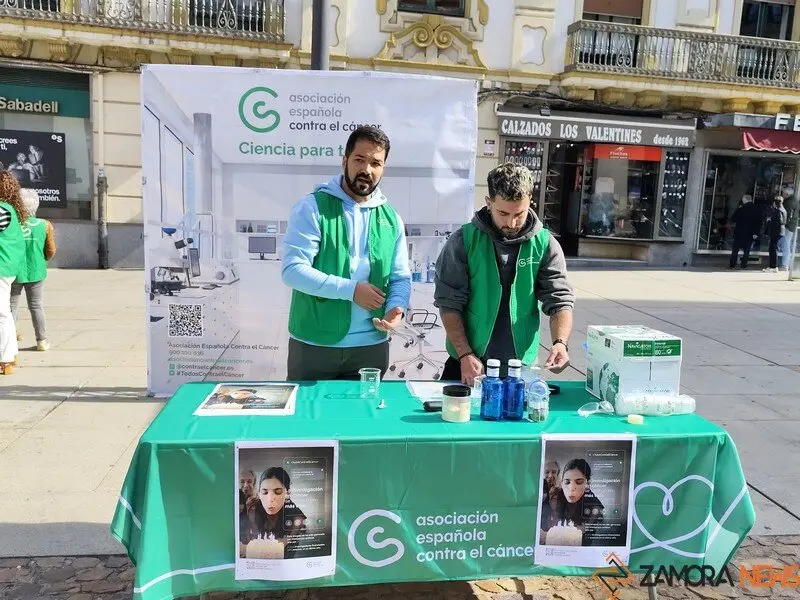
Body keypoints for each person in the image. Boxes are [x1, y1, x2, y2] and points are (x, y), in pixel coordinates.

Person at [281, 126, 411, 381]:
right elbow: (293, 271)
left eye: (376, 163)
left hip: (371, 347)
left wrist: (397, 306)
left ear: (383, 168)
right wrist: (352, 290)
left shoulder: (391, 219)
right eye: (359, 160)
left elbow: (400, 277)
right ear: (345, 161)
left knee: (365, 409)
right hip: (314, 345)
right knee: (306, 409)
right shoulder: (312, 207)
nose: (367, 170)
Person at [434, 162, 575, 383]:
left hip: (520, 365)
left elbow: (560, 300)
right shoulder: (463, 241)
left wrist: (560, 342)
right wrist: (464, 353)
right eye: (503, 213)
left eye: (519, 213)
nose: (511, 222)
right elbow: (448, 303)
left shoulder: (545, 243)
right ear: (488, 202)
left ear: (530, 201)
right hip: (468, 361)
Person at [11, 189, 55, 352]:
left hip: (14, 271)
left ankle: (9, 340)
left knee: (11, 306)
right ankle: (42, 340)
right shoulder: (45, 225)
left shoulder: (12, 224)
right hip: (36, 270)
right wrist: (42, 260)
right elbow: (51, 250)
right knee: (36, 306)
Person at [240, 467, 307, 558]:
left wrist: (285, 541)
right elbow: (253, 538)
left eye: (278, 492)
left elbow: (281, 545)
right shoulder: (253, 508)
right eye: (265, 492)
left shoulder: (294, 513)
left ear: (287, 493)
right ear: (259, 493)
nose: (270, 499)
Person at [0, 172, 27, 375]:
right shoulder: (9, 209)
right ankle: (11, 354)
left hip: (1, 267)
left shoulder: (2, 209)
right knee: (4, 312)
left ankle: (5, 359)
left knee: (1, 314)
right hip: (7, 267)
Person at [546, 458, 605, 547]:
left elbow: (578, 534)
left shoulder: (595, 506)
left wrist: (548, 536)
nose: (571, 488)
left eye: (579, 482)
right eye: (567, 482)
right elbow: (554, 524)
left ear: (587, 484)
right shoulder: (559, 495)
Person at [728, 195, 761, 270]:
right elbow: (759, 222)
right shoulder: (757, 209)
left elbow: (733, 219)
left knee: (735, 250)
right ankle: (743, 265)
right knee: (747, 250)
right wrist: (756, 233)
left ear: (745, 200)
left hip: (739, 232)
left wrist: (738, 209)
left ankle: (732, 265)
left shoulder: (741, 209)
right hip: (750, 233)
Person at [763, 195, 787, 273]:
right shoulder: (783, 210)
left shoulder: (778, 210)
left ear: (775, 202)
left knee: (773, 249)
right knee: (774, 248)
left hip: (776, 231)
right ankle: (773, 266)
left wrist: (770, 220)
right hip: (780, 231)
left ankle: (773, 267)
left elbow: (779, 221)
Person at [780, 192, 797, 271]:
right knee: (787, 244)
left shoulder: (789, 203)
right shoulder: (795, 202)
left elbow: (788, 215)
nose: (782, 195)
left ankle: (785, 264)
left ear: (787, 194)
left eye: (783, 194)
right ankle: (787, 264)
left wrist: (784, 224)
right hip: (792, 226)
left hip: (788, 227)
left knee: (786, 244)